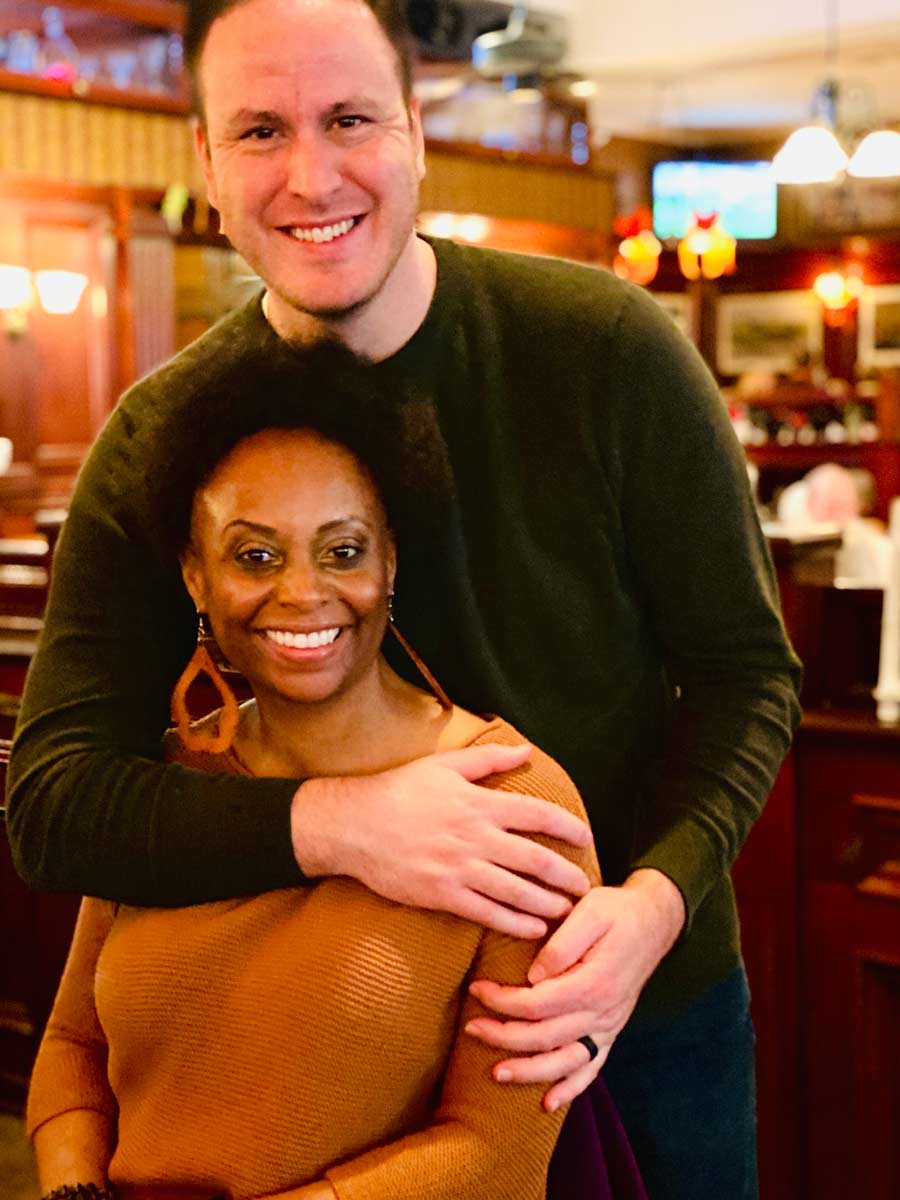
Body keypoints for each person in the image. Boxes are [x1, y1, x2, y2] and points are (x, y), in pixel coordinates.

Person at [7, 1, 802, 1195]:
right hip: (317, 1044)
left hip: (619, 1009)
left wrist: (650, 906)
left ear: (419, 131)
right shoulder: (160, 440)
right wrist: (338, 823)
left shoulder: (610, 350)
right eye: (262, 130)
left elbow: (749, 673)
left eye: (350, 118)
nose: (311, 173)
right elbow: (55, 800)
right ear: (207, 165)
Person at [27, 343, 645, 1200]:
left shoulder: (512, 799)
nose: (303, 593)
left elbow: (496, 1155)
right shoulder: (162, 783)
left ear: (390, 558)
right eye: (254, 557)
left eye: (342, 551)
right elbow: (71, 1050)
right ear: (193, 576)